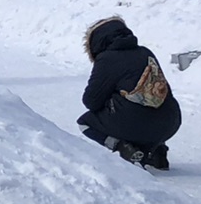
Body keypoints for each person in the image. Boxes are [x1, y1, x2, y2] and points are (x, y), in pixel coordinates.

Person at [78, 16, 182, 171]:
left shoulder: (107, 59)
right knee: (151, 103)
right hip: (171, 122)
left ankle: (123, 147)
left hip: (137, 124)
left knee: (85, 123)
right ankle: (157, 152)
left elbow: (91, 101)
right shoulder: (145, 52)